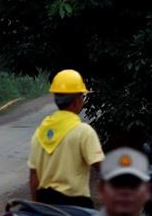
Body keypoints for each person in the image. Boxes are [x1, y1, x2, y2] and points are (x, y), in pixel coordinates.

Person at [28, 69, 104, 208]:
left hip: (47, 206)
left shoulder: (40, 132)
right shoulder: (84, 132)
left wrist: (37, 207)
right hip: (77, 206)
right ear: (77, 100)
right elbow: (102, 168)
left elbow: (34, 176)